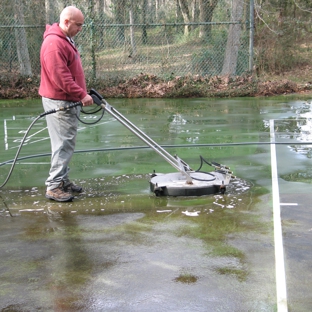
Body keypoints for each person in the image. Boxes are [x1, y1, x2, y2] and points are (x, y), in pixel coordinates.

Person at [39, 6, 93, 202]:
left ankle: (62, 180)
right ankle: (54, 185)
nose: (80, 28)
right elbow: (61, 77)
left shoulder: (64, 39)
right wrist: (82, 94)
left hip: (67, 100)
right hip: (61, 101)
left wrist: (82, 92)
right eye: (78, 25)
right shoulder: (54, 43)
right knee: (63, 143)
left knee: (65, 141)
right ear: (67, 22)